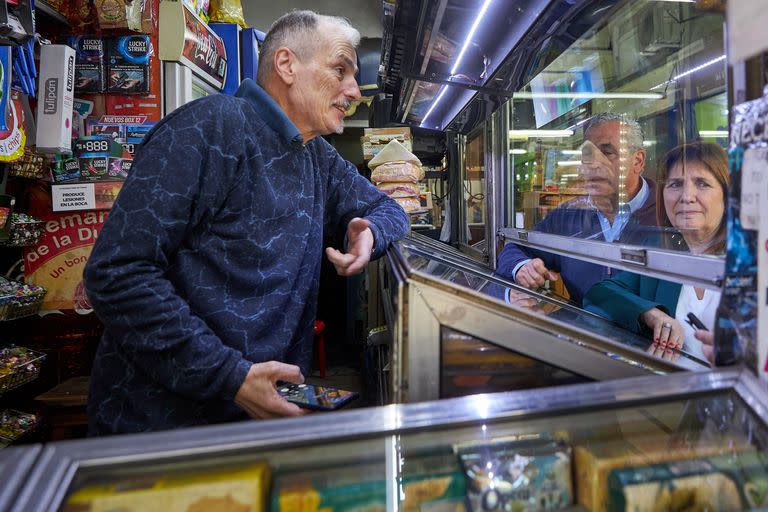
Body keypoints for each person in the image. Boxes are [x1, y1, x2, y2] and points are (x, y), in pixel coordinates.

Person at [83, 10, 410, 435]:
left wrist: (370, 231)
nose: (353, 91)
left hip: (254, 420)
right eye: (340, 70)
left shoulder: (317, 156)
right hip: (159, 428)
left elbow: (392, 210)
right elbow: (116, 275)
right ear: (287, 64)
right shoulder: (209, 127)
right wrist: (230, 376)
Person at [583, 142, 728, 364]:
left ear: (727, 197)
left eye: (702, 184)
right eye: (676, 184)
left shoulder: (754, 260)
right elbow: (600, 294)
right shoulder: (661, 253)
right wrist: (651, 314)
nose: (687, 196)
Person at [496, 113, 658, 305]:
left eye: (607, 153)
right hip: (583, 329)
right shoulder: (568, 215)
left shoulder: (671, 211)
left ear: (638, 161)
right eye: (588, 156)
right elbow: (515, 249)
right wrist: (523, 268)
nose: (594, 164)